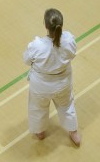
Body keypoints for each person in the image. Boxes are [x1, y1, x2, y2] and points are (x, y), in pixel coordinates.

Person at [23, 8, 81, 146]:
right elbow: (73, 53)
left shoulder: (37, 45)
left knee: (38, 107)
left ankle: (40, 132)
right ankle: (73, 132)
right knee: (67, 105)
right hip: (63, 83)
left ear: (45, 25)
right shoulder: (69, 40)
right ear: (61, 24)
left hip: (41, 85)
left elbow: (26, 60)